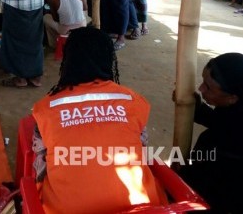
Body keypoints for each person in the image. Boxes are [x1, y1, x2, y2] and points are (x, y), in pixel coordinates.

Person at [31, 27, 164, 213]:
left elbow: (40, 166)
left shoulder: (45, 108)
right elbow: (141, 148)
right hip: (140, 206)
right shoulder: (133, 100)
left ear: (68, 61)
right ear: (109, 59)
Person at [179, 53, 243, 213]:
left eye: (208, 87)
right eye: (203, 81)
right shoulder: (233, 109)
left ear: (232, 98)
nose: (200, 89)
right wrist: (196, 108)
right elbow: (219, 121)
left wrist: (181, 176)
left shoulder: (231, 145)